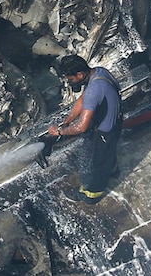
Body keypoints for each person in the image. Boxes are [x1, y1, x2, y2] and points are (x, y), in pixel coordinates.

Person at [48, 54, 122, 204]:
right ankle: (113, 170)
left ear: (80, 74)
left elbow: (82, 127)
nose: (70, 81)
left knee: (90, 165)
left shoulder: (93, 91)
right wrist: (67, 121)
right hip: (115, 122)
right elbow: (82, 100)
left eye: (71, 78)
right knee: (108, 155)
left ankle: (90, 194)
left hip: (104, 134)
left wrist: (60, 132)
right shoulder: (99, 73)